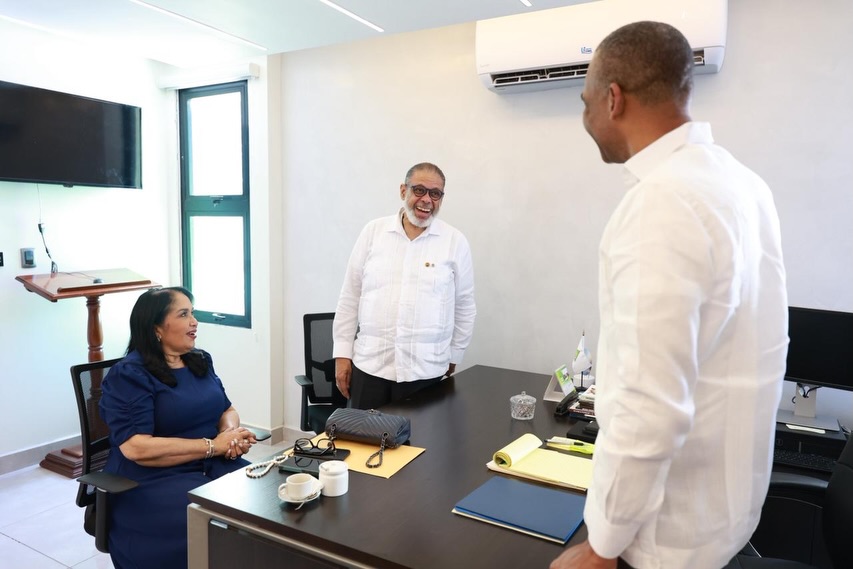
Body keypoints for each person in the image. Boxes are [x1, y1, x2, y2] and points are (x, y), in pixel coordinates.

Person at [550, 22, 788, 569]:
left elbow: (647, 406)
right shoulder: (746, 186)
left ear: (613, 99)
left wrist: (602, 546)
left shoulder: (660, 203)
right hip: (726, 521)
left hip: (662, 539)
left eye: (585, 101)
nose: (585, 118)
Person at [99, 286, 258, 569]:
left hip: (210, 463)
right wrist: (213, 446)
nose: (194, 322)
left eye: (192, 313)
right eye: (184, 314)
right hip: (151, 479)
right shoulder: (129, 375)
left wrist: (229, 435)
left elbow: (227, 410)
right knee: (216, 521)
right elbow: (136, 447)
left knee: (266, 502)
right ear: (156, 328)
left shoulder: (199, 360)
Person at [332, 162, 477, 409]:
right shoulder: (373, 233)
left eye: (435, 193)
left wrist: (454, 355)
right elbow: (350, 297)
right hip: (370, 368)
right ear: (403, 191)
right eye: (419, 190)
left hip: (426, 372)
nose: (427, 200)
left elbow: (465, 305)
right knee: (364, 434)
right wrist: (342, 355)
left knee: (423, 436)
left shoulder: (454, 241)